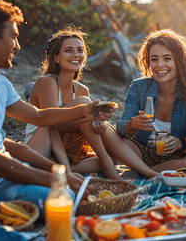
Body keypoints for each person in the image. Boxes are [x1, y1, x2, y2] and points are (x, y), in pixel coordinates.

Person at [0, 0, 117, 217]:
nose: (18, 45)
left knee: (76, 194)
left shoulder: (0, 84)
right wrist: (59, 179)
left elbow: (39, 117)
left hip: (6, 177)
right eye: (13, 37)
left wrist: (85, 112)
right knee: (67, 200)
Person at [98, 29, 186, 177]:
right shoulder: (139, 87)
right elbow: (121, 129)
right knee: (104, 128)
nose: (160, 65)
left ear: (179, 61)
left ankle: (138, 173)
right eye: (154, 59)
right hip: (140, 151)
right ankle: (150, 173)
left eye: (167, 58)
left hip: (174, 158)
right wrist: (132, 124)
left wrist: (181, 143)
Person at [24, 27, 122, 180]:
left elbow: (79, 136)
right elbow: (51, 127)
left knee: (111, 157)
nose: (76, 54)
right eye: (69, 50)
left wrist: (96, 123)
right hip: (39, 148)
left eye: (80, 50)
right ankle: (102, 165)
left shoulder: (82, 89)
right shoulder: (47, 82)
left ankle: (103, 163)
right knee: (84, 105)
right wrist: (68, 174)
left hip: (62, 153)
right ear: (56, 58)